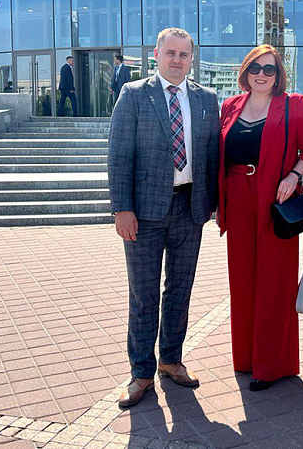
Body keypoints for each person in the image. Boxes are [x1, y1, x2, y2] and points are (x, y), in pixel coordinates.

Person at [108, 27, 220, 409]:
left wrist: (213, 203)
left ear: (192, 59)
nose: (177, 60)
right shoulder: (134, 95)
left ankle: (171, 360)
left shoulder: (206, 99)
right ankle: (141, 372)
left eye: (183, 54)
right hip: (143, 212)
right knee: (143, 295)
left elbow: (212, 155)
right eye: (170, 53)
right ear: (156, 55)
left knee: (180, 290)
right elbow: (119, 155)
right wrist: (121, 208)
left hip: (191, 208)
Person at [217, 44, 303, 391]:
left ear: (278, 75)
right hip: (238, 198)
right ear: (245, 71)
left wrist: (293, 176)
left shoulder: (293, 104)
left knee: (274, 281)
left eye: (269, 69)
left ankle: (272, 364)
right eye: (255, 68)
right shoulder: (230, 106)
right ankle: (246, 358)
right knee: (242, 280)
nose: (261, 74)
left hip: (275, 197)